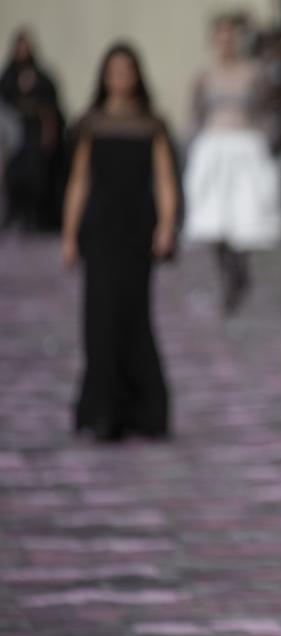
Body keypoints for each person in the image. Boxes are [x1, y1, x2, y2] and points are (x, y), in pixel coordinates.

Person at [61, 43, 177, 442]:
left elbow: (163, 179)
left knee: (135, 313)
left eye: (127, 70)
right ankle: (102, 411)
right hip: (101, 229)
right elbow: (79, 181)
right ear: (104, 75)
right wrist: (69, 234)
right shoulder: (91, 124)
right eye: (114, 70)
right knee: (99, 316)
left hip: (136, 229)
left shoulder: (152, 125)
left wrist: (166, 225)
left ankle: (142, 411)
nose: (121, 77)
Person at [183, 14, 281, 314]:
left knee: (244, 215)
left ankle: (239, 272)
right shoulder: (204, 75)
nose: (226, 42)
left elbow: (267, 110)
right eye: (221, 36)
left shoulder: (254, 73)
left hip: (245, 144)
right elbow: (194, 115)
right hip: (214, 146)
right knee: (212, 219)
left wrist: (265, 142)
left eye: (231, 36)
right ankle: (225, 276)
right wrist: (194, 148)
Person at [0, 29, 65, 231]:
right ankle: (14, 214)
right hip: (12, 136)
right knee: (13, 177)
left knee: (36, 177)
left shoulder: (43, 78)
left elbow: (50, 112)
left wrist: (49, 135)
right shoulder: (7, 77)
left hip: (35, 136)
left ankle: (35, 217)